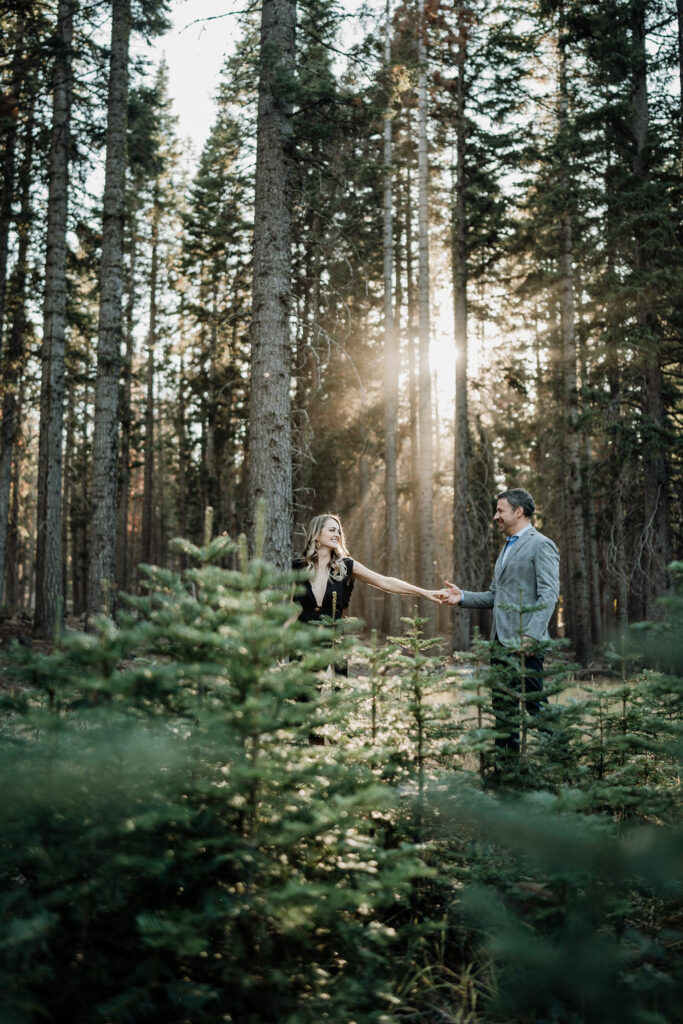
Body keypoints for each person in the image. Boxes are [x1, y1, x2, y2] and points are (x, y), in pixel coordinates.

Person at [441, 488, 560, 751]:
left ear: (519, 512)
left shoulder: (541, 545)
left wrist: (530, 636)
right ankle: (506, 770)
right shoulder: (507, 548)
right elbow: (496, 596)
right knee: (503, 708)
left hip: (525, 643)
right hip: (500, 642)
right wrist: (461, 596)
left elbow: (549, 595)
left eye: (500, 510)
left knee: (534, 704)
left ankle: (561, 761)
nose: (496, 516)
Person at [292, 513, 443, 628]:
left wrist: (425, 592)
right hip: (302, 643)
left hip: (332, 643)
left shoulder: (345, 566)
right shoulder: (298, 568)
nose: (337, 535)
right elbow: (290, 612)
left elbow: (385, 582)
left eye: (339, 532)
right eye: (332, 530)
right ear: (317, 535)